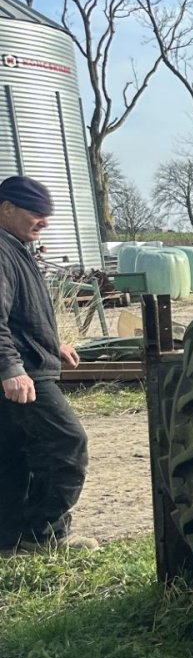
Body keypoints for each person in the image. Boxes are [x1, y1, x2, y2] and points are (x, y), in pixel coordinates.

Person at [0, 175, 95, 551]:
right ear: (6, 209)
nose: (45, 221)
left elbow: (19, 313)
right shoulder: (2, 251)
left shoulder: (15, 245)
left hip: (29, 365)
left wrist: (52, 342)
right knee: (67, 444)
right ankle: (44, 533)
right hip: (25, 374)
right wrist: (10, 367)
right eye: (36, 213)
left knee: (15, 454)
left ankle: (11, 537)